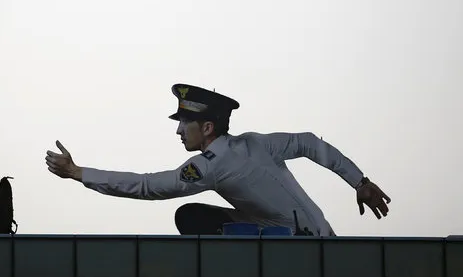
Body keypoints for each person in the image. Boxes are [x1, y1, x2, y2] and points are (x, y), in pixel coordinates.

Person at [45, 83, 391, 236]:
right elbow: (309, 144)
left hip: (294, 247)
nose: (179, 132)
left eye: (184, 124)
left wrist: (78, 172)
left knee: (189, 217)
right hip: (317, 232)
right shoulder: (257, 143)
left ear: (207, 127)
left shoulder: (209, 166)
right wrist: (359, 181)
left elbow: (148, 186)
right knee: (196, 215)